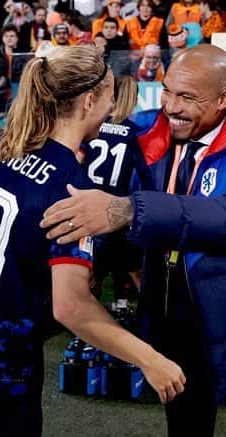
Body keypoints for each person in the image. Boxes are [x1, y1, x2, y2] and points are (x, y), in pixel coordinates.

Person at [0, 45, 185, 436]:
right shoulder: (72, 189)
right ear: (90, 99)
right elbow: (71, 307)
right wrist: (149, 358)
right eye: (110, 94)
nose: (113, 105)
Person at [41, 44, 226, 437]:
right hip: (175, 323)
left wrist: (129, 209)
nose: (171, 106)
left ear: (223, 98)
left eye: (187, 97)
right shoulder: (154, 128)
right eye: (167, 91)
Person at [83, 75, 150, 299]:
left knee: (92, 274)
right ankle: (150, 317)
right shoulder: (134, 133)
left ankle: (86, 327)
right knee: (134, 267)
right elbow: (144, 175)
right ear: (134, 98)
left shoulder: (93, 125)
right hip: (114, 209)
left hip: (85, 204)